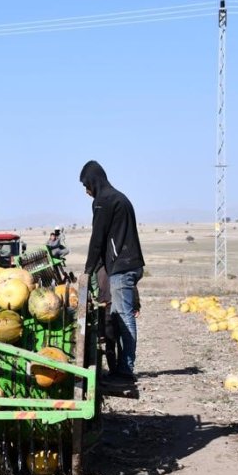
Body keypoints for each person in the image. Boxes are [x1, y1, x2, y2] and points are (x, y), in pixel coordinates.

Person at [81, 160, 145, 383]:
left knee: (124, 317)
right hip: (130, 263)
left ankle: (126, 370)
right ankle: (121, 368)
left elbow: (97, 239)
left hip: (122, 267)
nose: (86, 192)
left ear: (93, 182)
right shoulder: (118, 197)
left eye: (86, 186)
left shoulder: (104, 201)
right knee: (118, 316)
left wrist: (87, 271)